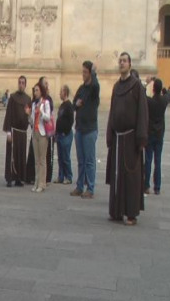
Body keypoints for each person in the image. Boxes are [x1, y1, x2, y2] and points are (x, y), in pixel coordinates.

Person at [106, 52, 148, 226]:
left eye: (124, 61)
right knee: (117, 175)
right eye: (120, 61)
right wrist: (110, 132)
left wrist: (141, 138)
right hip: (118, 138)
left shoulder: (137, 86)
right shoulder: (116, 87)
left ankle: (131, 213)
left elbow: (142, 113)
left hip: (131, 138)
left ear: (130, 64)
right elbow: (112, 111)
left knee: (131, 176)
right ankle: (116, 211)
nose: (121, 63)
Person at [71, 61, 100, 199]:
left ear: (90, 73)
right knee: (81, 160)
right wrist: (76, 104)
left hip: (90, 129)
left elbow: (95, 85)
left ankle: (90, 188)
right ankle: (79, 186)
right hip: (80, 128)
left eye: (85, 72)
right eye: (82, 72)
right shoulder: (81, 89)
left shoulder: (94, 88)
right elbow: (74, 104)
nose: (83, 75)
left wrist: (94, 72)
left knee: (89, 160)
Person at [3, 76, 31, 187]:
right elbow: (9, 115)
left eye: (23, 83)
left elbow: (29, 115)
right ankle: (10, 178)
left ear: (25, 85)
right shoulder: (13, 98)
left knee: (21, 155)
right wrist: (8, 131)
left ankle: (19, 178)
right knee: (12, 155)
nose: (21, 84)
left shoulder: (28, 99)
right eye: (19, 82)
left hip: (22, 132)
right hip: (13, 131)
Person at [26, 77, 54, 184]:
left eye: (37, 90)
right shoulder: (34, 104)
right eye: (34, 90)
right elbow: (32, 121)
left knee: (43, 160)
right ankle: (36, 181)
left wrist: (41, 113)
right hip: (35, 132)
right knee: (36, 160)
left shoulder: (46, 102)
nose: (35, 92)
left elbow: (48, 117)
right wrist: (29, 115)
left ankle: (43, 182)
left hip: (43, 133)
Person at [145, 78, 167, 195]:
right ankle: (157, 187)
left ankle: (146, 185)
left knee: (148, 160)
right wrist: (163, 89)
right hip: (159, 135)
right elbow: (167, 93)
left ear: (153, 89)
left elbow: (142, 92)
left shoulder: (149, 101)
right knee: (158, 161)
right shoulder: (164, 101)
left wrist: (147, 82)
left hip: (150, 134)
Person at [55, 85, 74, 184]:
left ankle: (69, 176)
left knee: (66, 157)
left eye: (61, 92)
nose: (59, 94)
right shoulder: (62, 105)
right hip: (59, 135)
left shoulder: (69, 105)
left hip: (65, 135)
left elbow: (71, 120)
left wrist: (65, 132)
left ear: (65, 93)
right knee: (60, 157)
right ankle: (61, 176)